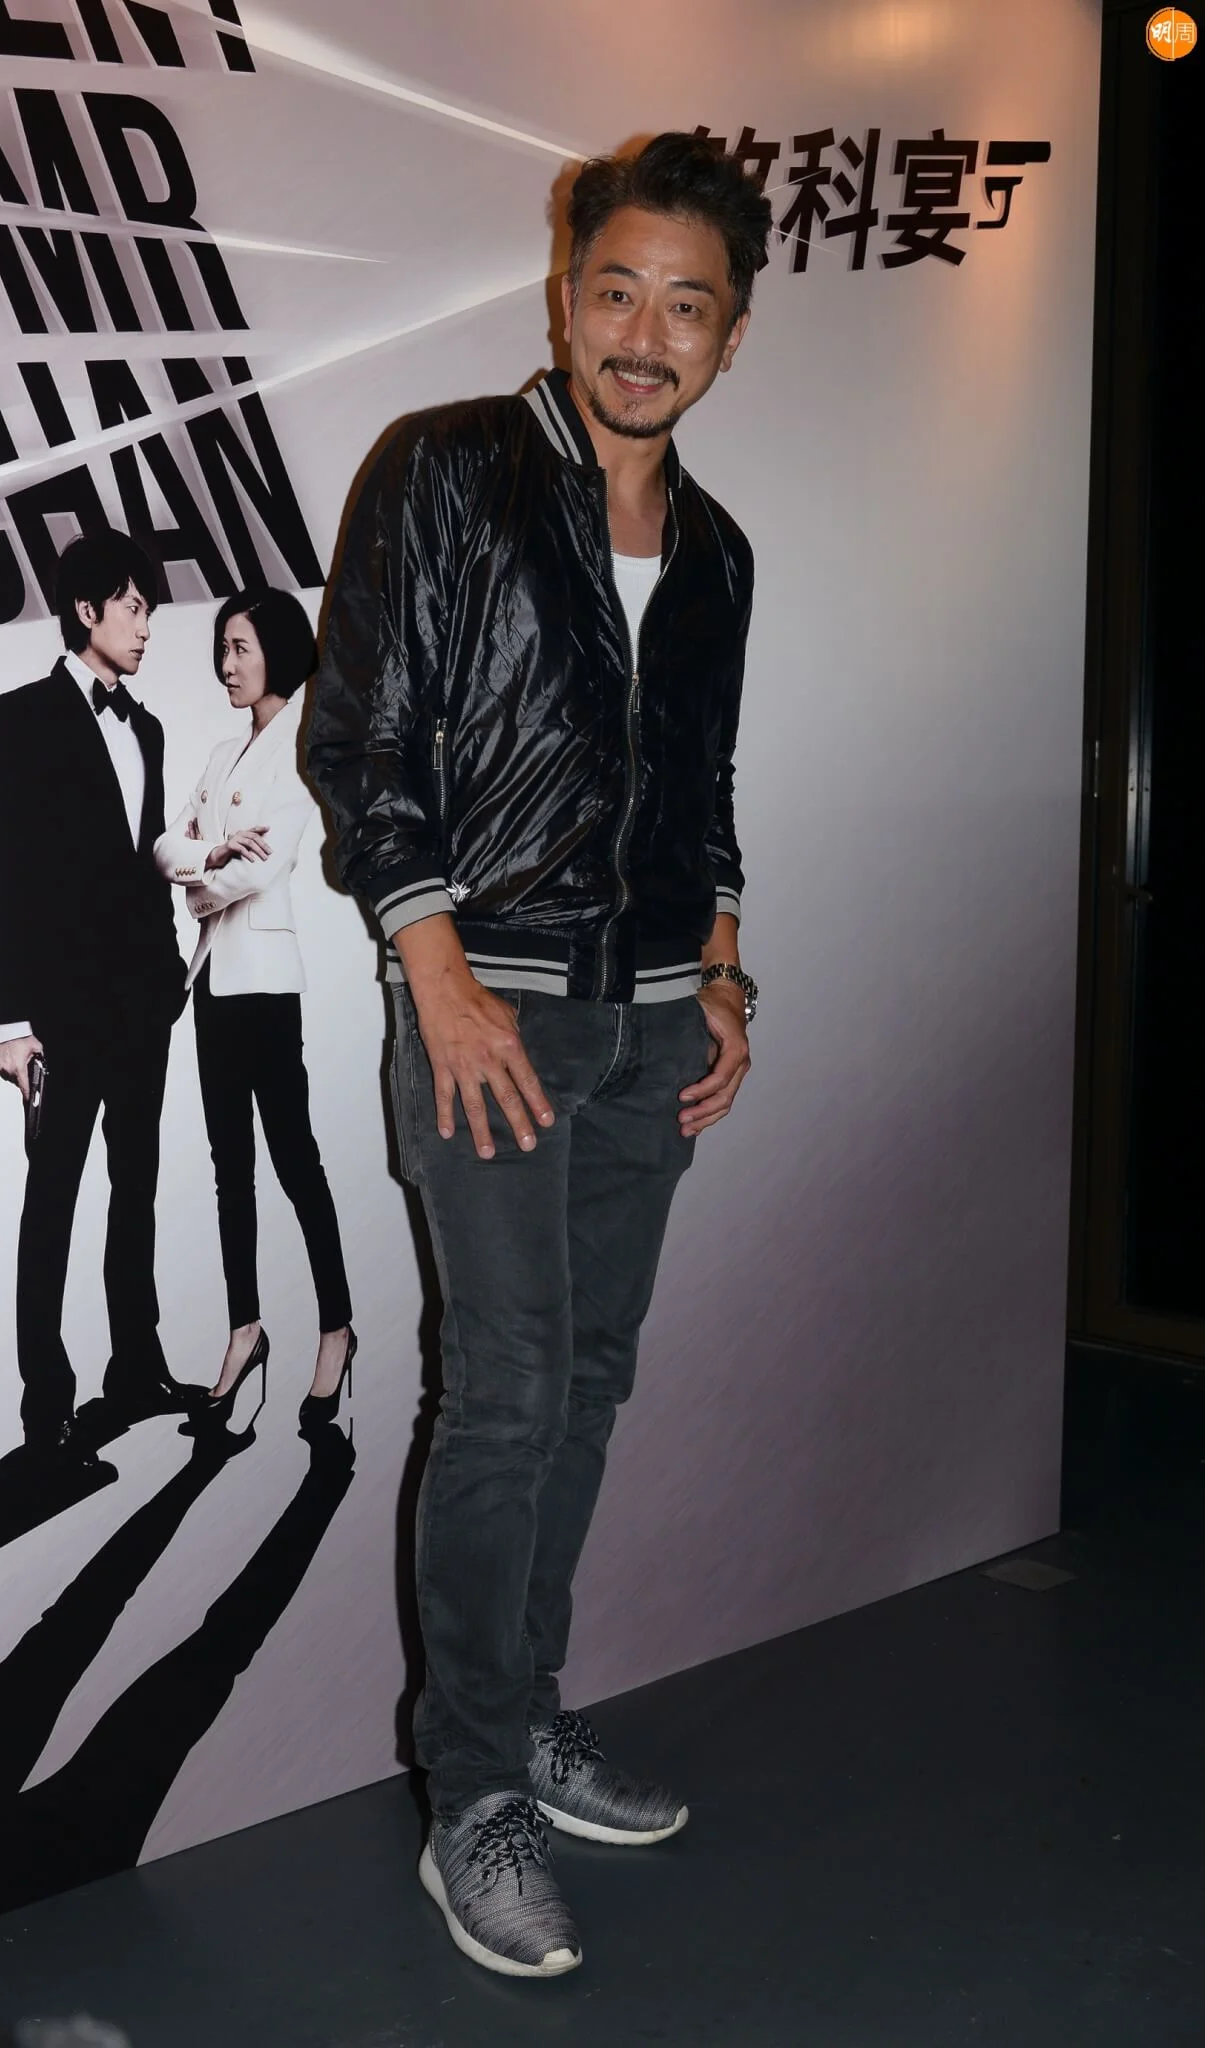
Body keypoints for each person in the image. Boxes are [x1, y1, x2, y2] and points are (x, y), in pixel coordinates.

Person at [308, 131, 770, 1978]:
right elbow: (360, 737)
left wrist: (726, 979)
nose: (646, 335)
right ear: (563, 293)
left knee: (584, 1383)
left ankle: (526, 1709)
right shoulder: (447, 468)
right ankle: (473, 1792)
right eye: (617, 291)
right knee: (503, 1397)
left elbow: (704, 794)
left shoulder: (719, 551)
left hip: (652, 1026)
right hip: (486, 1005)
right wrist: (435, 970)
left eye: (687, 306)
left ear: (732, 334)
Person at [0, 531, 201, 1468]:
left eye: (148, 609)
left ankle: (136, 1367)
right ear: (87, 611)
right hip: (63, 1010)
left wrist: (175, 966)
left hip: (143, 1001)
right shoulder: (23, 715)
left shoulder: (146, 728)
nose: (147, 626)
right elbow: (9, 875)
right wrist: (10, 1020)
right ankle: (47, 1406)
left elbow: (144, 862)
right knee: (54, 1202)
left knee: (136, 1189)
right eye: (134, 607)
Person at [154, 589, 355, 1430]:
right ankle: (246, 1331)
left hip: (265, 983)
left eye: (239, 648)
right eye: (222, 648)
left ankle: (336, 1328)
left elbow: (260, 869)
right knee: (227, 1167)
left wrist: (200, 880)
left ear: (277, 649)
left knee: (295, 1160)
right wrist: (208, 856)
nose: (226, 665)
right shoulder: (220, 753)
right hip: (210, 985)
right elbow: (163, 846)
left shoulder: (304, 748)